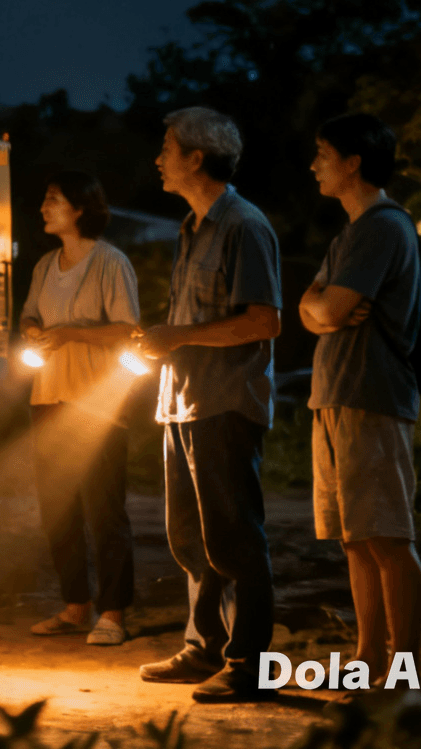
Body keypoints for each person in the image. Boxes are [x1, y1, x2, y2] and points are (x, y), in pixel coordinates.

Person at [134, 107, 282, 703]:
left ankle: (248, 663)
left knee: (235, 539)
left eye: (167, 147)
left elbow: (263, 321)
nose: (158, 158)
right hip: (183, 402)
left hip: (224, 403)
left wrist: (177, 337)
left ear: (197, 157)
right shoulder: (192, 227)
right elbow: (192, 323)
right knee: (190, 538)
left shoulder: (245, 225)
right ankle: (205, 647)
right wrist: (162, 341)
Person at [298, 113, 421, 690]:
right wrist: (320, 305)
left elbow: (323, 309)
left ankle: (407, 672)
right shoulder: (349, 233)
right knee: (355, 536)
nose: (314, 163)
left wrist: (322, 307)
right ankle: (369, 658)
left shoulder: (381, 227)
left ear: (353, 162)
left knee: (387, 537)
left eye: (323, 152)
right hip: (338, 394)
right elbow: (312, 309)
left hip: (371, 393)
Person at [18, 170, 140, 647]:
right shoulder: (46, 265)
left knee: (103, 509)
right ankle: (75, 606)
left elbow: (127, 330)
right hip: (49, 396)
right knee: (58, 509)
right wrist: (32, 332)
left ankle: (113, 613)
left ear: (81, 208)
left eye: (53, 200)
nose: (44, 208)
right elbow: (30, 313)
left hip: (97, 402)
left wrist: (70, 333)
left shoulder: (111, 263)